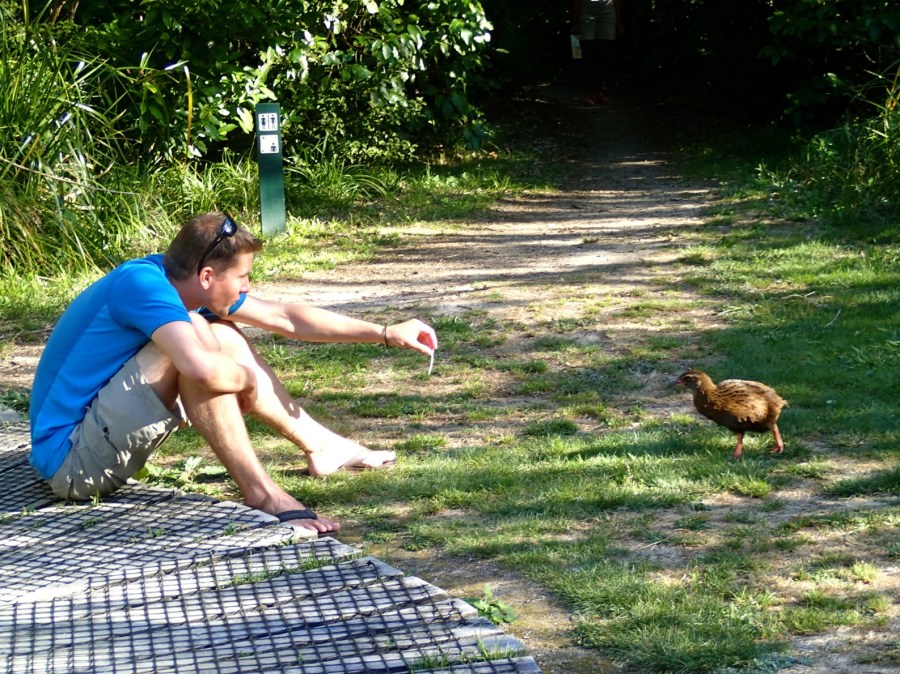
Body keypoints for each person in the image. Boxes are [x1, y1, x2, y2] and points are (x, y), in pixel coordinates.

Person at [28, 211, 438, 535]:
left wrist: (385, 333)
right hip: (73, 464)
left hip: (94, 444)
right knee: (199, 343)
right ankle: (262, 494)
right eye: (243, 277)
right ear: (207, 276)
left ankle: (323, 447)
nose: (247, 287)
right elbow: (200, 369)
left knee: (216, 333)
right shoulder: (142, 286)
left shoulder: (179, 283)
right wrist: (247, 379)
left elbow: (285, 317)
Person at [572, 0, 624, 105]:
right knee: (588, 53)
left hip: (607, 12)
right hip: (586, 10)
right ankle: (589, 92)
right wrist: (576, 23)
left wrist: (618, 21)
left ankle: (600, 91)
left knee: (604, 54)